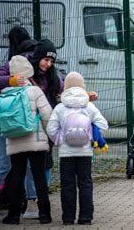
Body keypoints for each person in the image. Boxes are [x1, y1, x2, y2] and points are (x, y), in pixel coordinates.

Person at [0, 26, 36, 221]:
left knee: (13, 163)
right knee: (10, 162)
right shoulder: (13, 65)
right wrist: (13, 80)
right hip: (6, 121)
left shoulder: (21, 62)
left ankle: (30, 202)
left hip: (15, 122)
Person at [46, 72, 108, 225]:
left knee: (67, 185)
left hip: (66, 153)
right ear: (82, 87)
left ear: (65, 87)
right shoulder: (89, 106)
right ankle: (85, 218)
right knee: (85, 183)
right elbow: (103, 125)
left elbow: (51, 128)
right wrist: (91, 137)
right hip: (85, 152)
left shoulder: (60, 107)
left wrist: (60, 140)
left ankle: (68, 218)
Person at [0, 56, 52, 225]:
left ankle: (14, 215)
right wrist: (51, 137)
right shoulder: (35, 91)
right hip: (36, 140)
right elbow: (47, 116)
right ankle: (44, 214)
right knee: (39, 176)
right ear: (29, 72)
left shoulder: (5, 93)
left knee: (17, 176)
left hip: (15, 140)